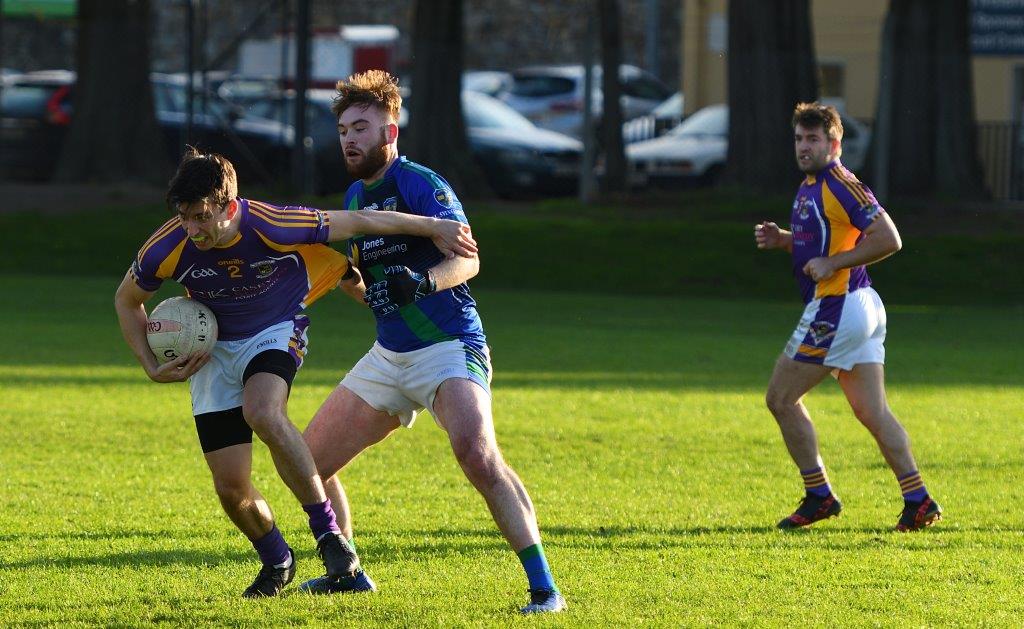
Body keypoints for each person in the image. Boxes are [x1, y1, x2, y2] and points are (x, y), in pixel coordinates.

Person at [113, 147, 477, 598]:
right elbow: (126, 301)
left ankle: (328, 535)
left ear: (229, 207)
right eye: (184, 216)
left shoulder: (273, 222)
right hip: (213, 350)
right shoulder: (167, 245)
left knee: (262, 410)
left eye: (201, 216)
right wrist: (150, 367)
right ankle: (276, 559)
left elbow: (362, 222)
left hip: (275, 329)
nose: (191, 228)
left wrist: (435, 225)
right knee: (231, 487)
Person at [297, 70, 566, 614]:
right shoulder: (354, 194)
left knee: (477, 454)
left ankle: (544, 588)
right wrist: (336, 276)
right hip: (390, 355)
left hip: (448, 344)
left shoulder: (424, 184)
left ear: (390, 132)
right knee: (307, 463)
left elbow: (468, 258)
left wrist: (423, 281)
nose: (350, 139)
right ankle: (346, 570)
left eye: (362, 128)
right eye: (345, 129)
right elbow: (373, 291)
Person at [754, 102, 942, 532]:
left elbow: (889, 238)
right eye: (799, 138)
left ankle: (819, 494)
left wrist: (835, 263)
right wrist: (784, 240)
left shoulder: (839, 182)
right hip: (857, 306)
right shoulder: (812, 184)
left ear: (835, 143)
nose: (804, 146)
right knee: (873, 412)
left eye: (814, 139)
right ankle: (918, 500)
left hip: (839, 306)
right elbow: (823, 239)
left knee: (780, 399)